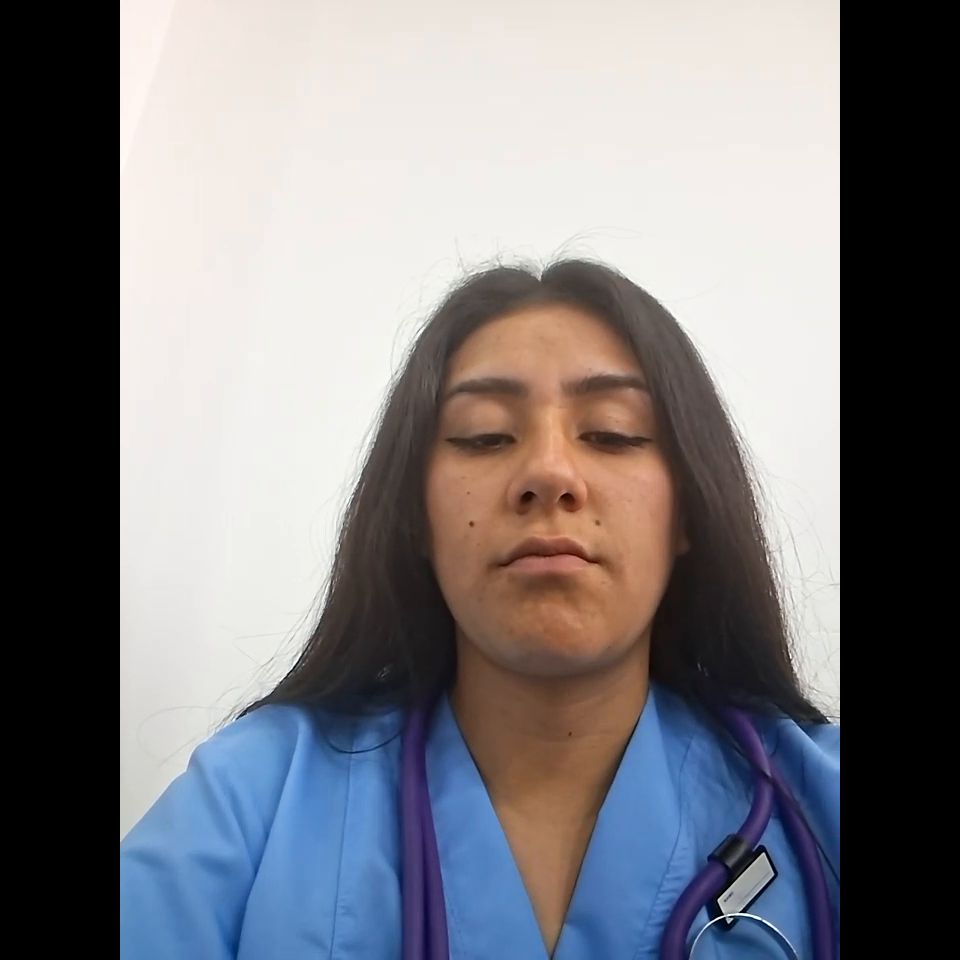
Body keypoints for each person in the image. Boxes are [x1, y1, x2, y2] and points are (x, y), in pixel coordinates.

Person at [120, 259, 839, 959]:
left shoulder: (823, 802)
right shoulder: (250, 799)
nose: (549, 472)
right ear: (415, 517)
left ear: (688, 510)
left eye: (613, 432)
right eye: (485, 436)